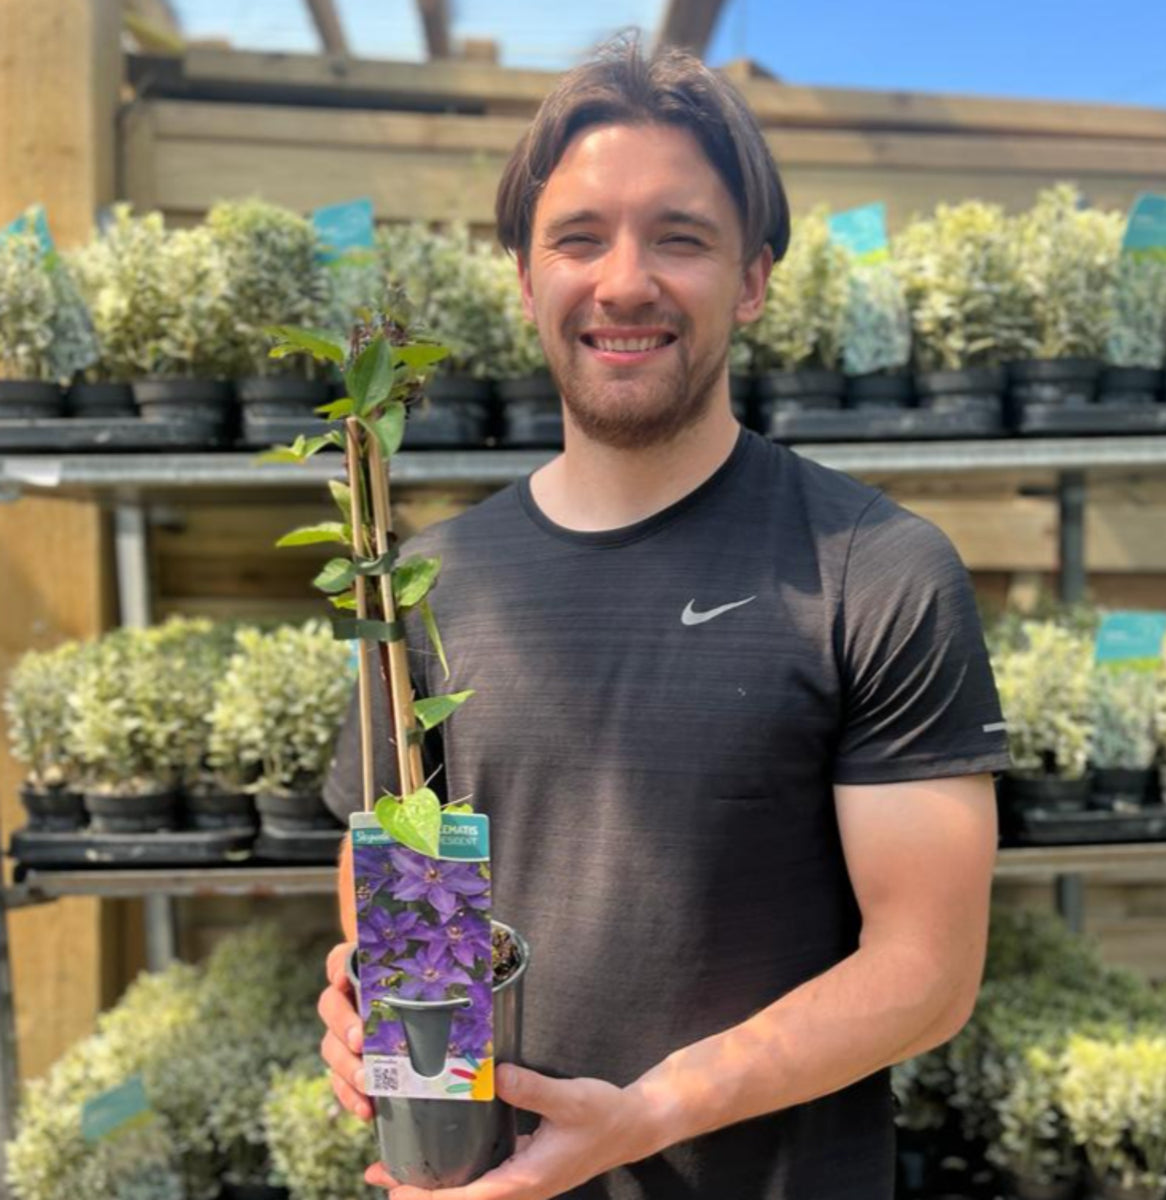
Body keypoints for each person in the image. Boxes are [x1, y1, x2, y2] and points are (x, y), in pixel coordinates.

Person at [317, 33, 1008, 1200]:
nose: (624, 280)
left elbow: (926, 973)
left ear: (751, 279)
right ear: (525, 278)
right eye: (578, 238)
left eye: (679, 238)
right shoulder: (420, 587)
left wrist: (644, 1116)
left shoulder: (874, 571)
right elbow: (386, 860)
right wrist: (372, 995)